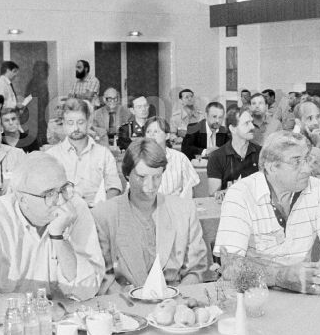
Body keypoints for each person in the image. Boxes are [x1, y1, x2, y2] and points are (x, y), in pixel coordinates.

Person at [0, 153, 105, 321]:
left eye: (63, 189)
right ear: (22, 199)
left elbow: (88, 287)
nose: (61, 200)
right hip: (10, 325)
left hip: (66, 323)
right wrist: (30, 306)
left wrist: (59, 237)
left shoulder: (76, 208)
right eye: (49, 194)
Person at [214, 131, 320, 295]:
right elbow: (230, 267)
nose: (308, 169)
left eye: (307, 159)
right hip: (254, 297)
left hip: (302, 294)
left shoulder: (317, 189)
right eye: (296, 162)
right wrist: (282, 276)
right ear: (272, 167)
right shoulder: (240, 194)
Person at [93, 139, 209, 291]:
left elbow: (196, 269)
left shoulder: (184, 210)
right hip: (124, 304)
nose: (150, 186)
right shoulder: (103, 215)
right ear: (127, 174)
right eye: (141, 177)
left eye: (157, 177)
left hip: (175, 300)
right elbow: (104, 277)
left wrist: (176, 297)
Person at [45, 99, 122, 205]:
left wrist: (102, 207)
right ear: (63, 124)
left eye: (80, 122)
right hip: (64, 213)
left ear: (89, 122)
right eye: (70, 123)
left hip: (97, 213)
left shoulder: (104, 154)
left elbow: (114, 187)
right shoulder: (51, 156)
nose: (75, 128)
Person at [207, 107, 261, 197]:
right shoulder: (217, 156)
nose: (252, 126)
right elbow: (214, 194)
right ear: (233, 128)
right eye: (247, 123)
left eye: (252, 122)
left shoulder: (261, 153)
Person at [144, 117, 200, 198]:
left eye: (156, 131)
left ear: (167, 136)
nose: (151, 135)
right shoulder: (138, 159)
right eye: (148, 132)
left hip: (176, 207)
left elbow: (191, 188)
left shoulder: (180, 158)